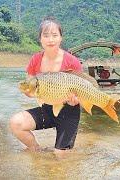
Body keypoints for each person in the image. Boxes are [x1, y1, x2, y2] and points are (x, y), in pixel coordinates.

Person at [9, 16, 82, 157]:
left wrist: (75, 99)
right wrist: (28, 92)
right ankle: (36, 151)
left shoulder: (72, 62)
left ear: (61, 38)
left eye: (55, 35)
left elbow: (80, 90)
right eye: (46, 35)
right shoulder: (35, 60)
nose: (50, 39)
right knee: (16, 123)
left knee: (60, 156)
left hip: (69, 111)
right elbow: (28, 86)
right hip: (47, 109)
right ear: (40, 39)